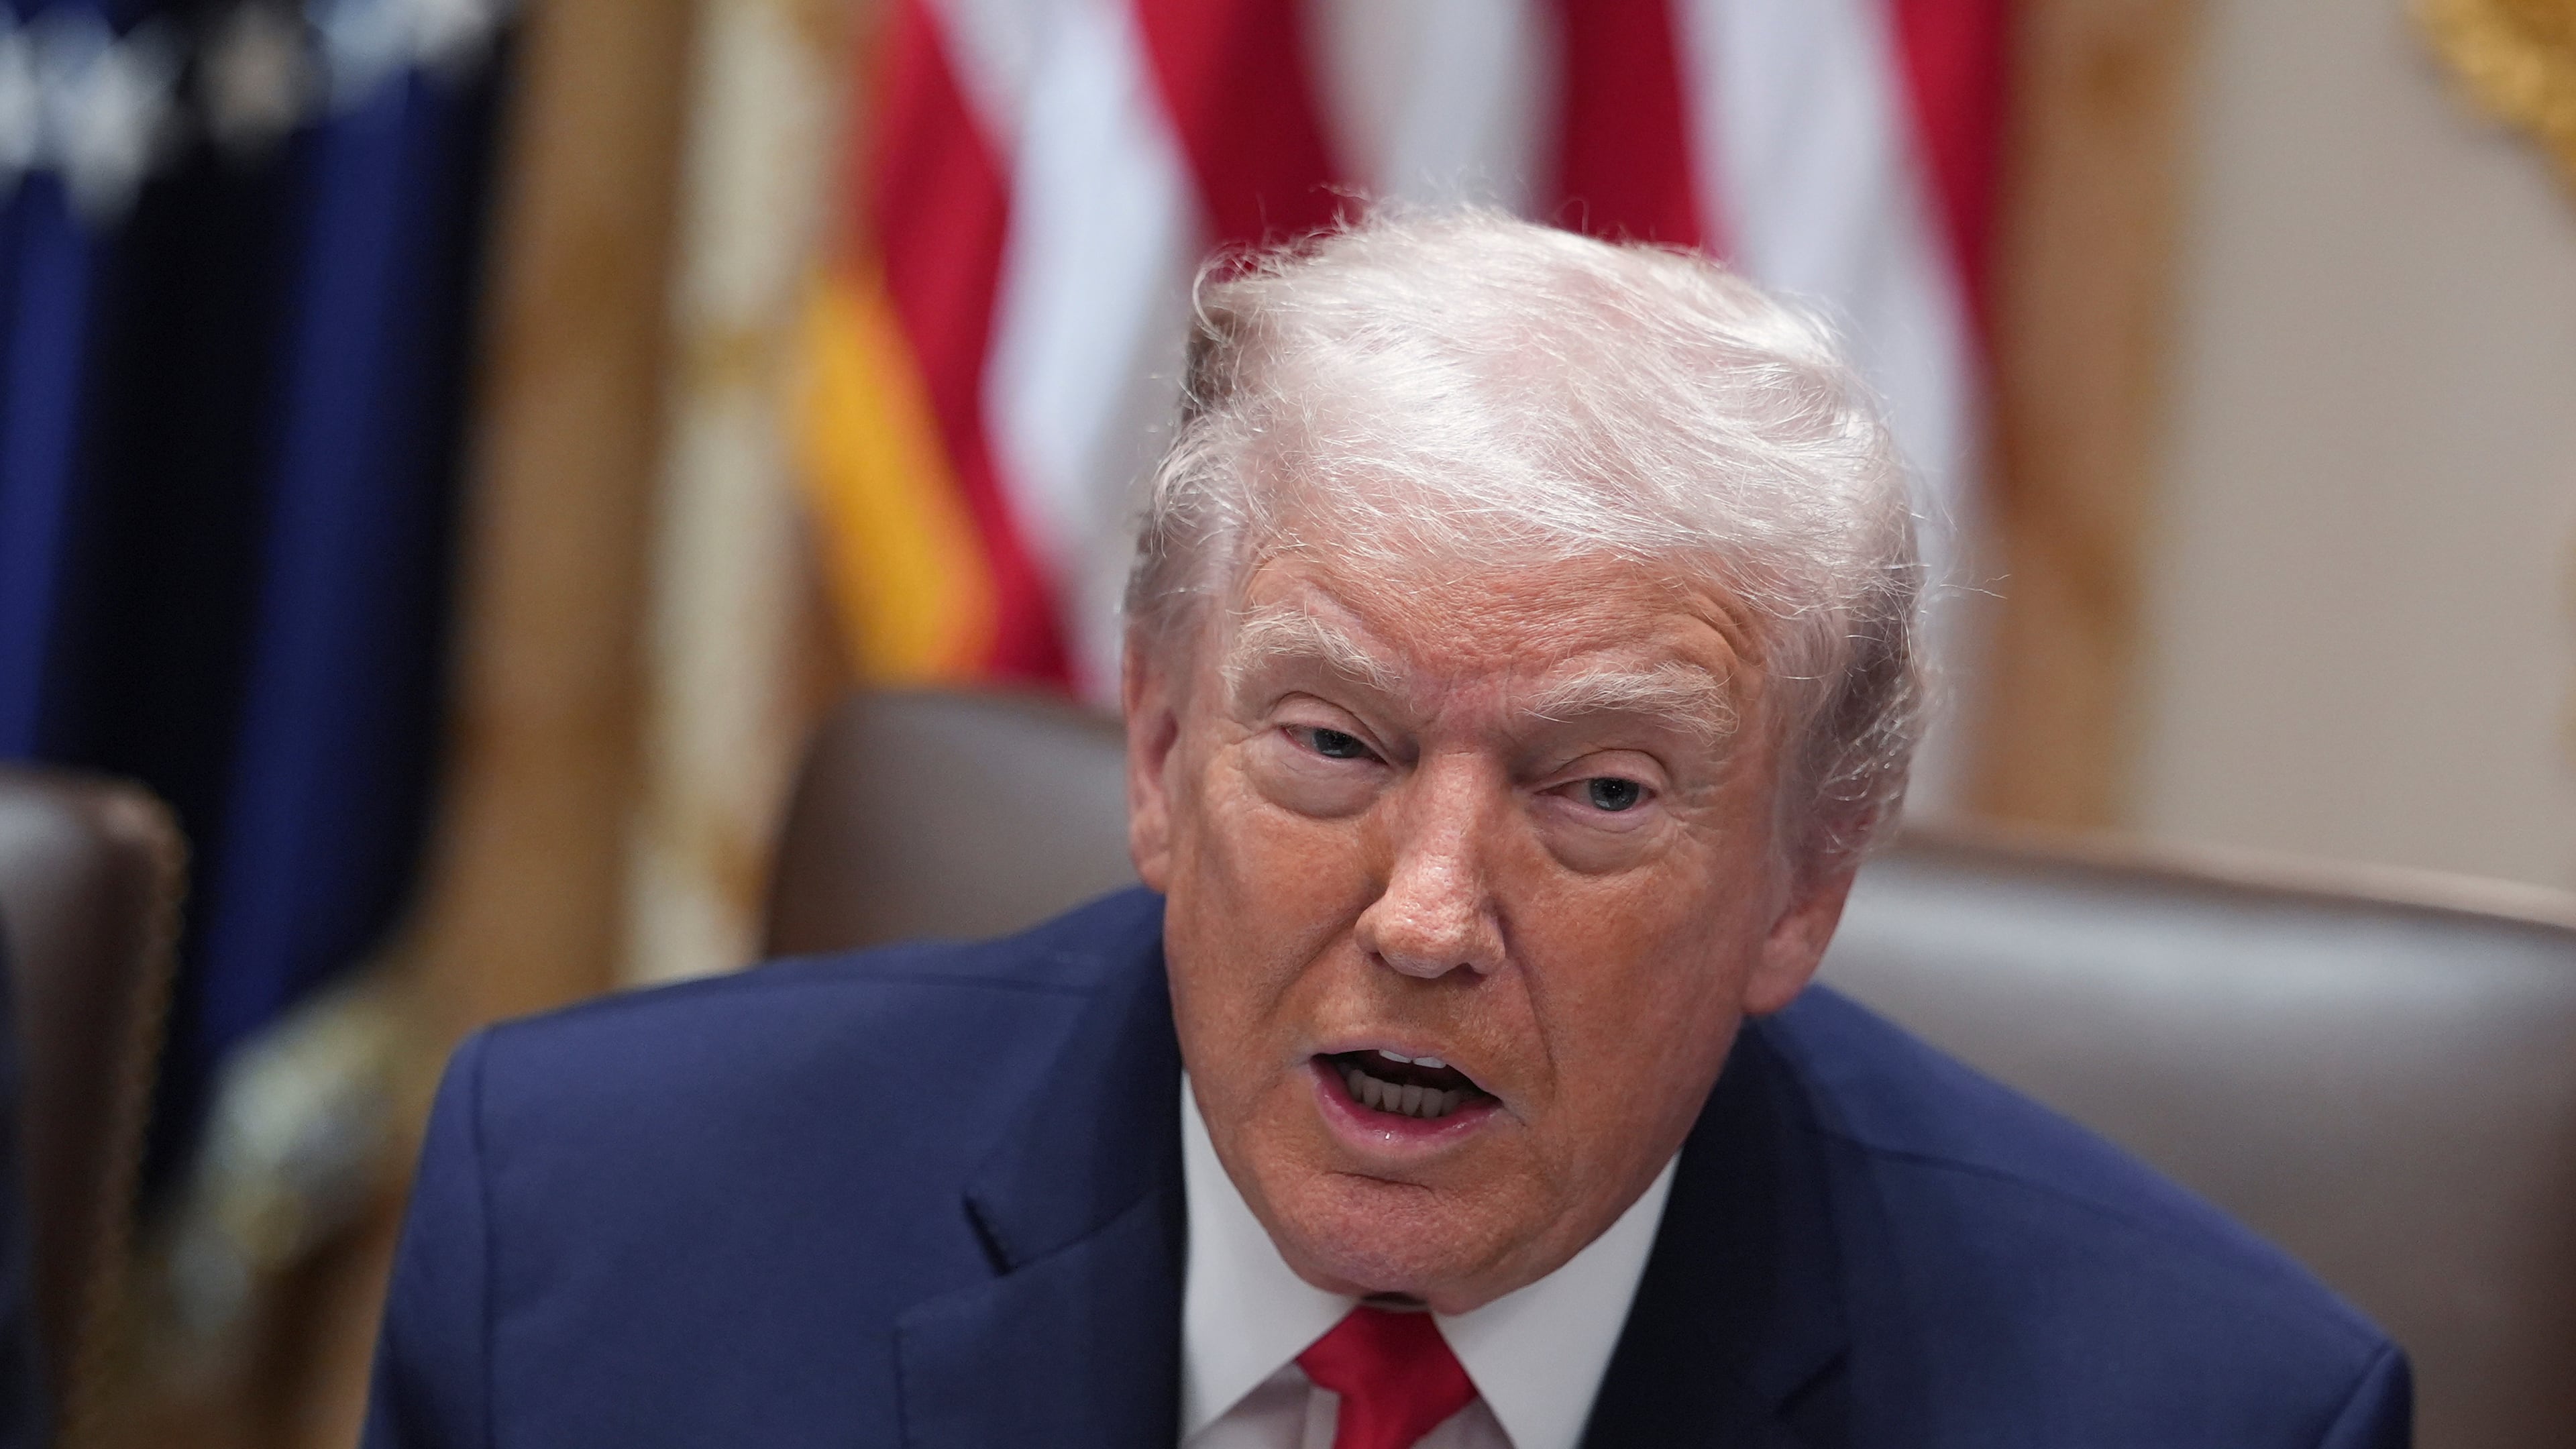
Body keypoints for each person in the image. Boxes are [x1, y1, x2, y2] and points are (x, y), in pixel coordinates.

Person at [362, 211, 2409, 1448]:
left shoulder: (2201, 1413)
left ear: (1806, 878)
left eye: (1597, 792)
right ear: (1159, 754)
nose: (1430, 918)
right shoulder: (590, 1244)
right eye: (1333, 744)